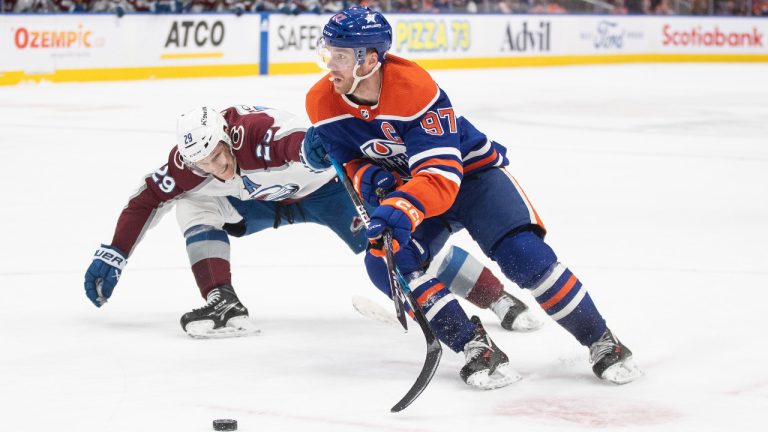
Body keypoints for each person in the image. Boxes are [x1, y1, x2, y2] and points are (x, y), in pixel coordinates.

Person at [306, 6, 642, 387]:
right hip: (412, 190)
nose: (331, 64)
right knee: (387, 262)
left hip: (470, 179)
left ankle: (602, 340)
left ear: (370, 58)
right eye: (327, 52)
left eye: (342, 56)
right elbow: (349, 158)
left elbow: (440, 177)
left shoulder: (413, 89)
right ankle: (474, 346)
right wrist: (371, 178)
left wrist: (398, 205)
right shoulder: (322, 102)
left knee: (524, 258)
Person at [83, 105, 540, 339]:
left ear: (227, 137)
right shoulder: (192, 164)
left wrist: (310, 148)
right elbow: (147, 198)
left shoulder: (257, 134)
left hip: (325, 191)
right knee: (194, 205)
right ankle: (223, 302)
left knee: (398, 245)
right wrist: (115, 252)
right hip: (262, 201)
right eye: (202, 163)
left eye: (219, 155)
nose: (214, 167)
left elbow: (290, 142)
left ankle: (498, 298)